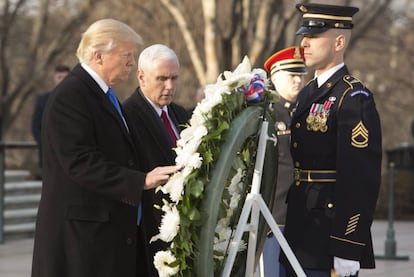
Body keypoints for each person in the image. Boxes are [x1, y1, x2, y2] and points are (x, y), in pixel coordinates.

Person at [31, 19, 178, 277]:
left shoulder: (103, 95)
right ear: (98, 56)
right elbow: (79, 162)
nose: (132, 63)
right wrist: (140, 180)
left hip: (104, 238)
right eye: (126, 55)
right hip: (81, 241)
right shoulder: (72, 95)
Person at [280, 3, 382, 277]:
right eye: (304, 36)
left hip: (328, 237)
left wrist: (348, 246)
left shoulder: (353, 98)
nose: (304, 43)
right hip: (300, 230)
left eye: (313, 37)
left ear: (339, 41)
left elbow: (360, 179)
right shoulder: (307, 93)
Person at [122, 44, 190, 276]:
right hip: (148, 234)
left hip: (185, 232)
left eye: (174, 78)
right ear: (141, 76)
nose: (169, 87)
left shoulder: (181, 114)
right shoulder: (126, 117)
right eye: (161, 79)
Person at [258, 46, 307, 277]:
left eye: (301, 74)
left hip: (302, 214)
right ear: (274, 77)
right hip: (274, 215)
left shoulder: (305, 112)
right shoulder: (265, 114)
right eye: (291, 75)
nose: (298, 80)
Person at [31, 64, 70, 179]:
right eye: (59, 77)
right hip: (48, 154)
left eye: (65, 78)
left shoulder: (78, 100)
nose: (62, 81)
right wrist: (46, 143)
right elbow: (35, 126)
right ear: (54, 78)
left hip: (70, 155)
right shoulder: (42, 100)